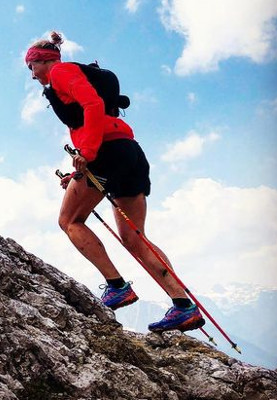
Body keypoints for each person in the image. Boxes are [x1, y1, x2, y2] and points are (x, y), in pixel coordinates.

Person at [25, 31, 205, 333]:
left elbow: (93, 105)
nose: (32, 76)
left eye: (31, 67)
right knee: (135, 238)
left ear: (44, 61)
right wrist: (79, 170)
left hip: (104, 153)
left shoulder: (61, 72)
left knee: (69, 220)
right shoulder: (65, 75)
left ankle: (117, 286)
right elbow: (97, 117)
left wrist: (88, 153)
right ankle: (183, 307)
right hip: (128, 152)